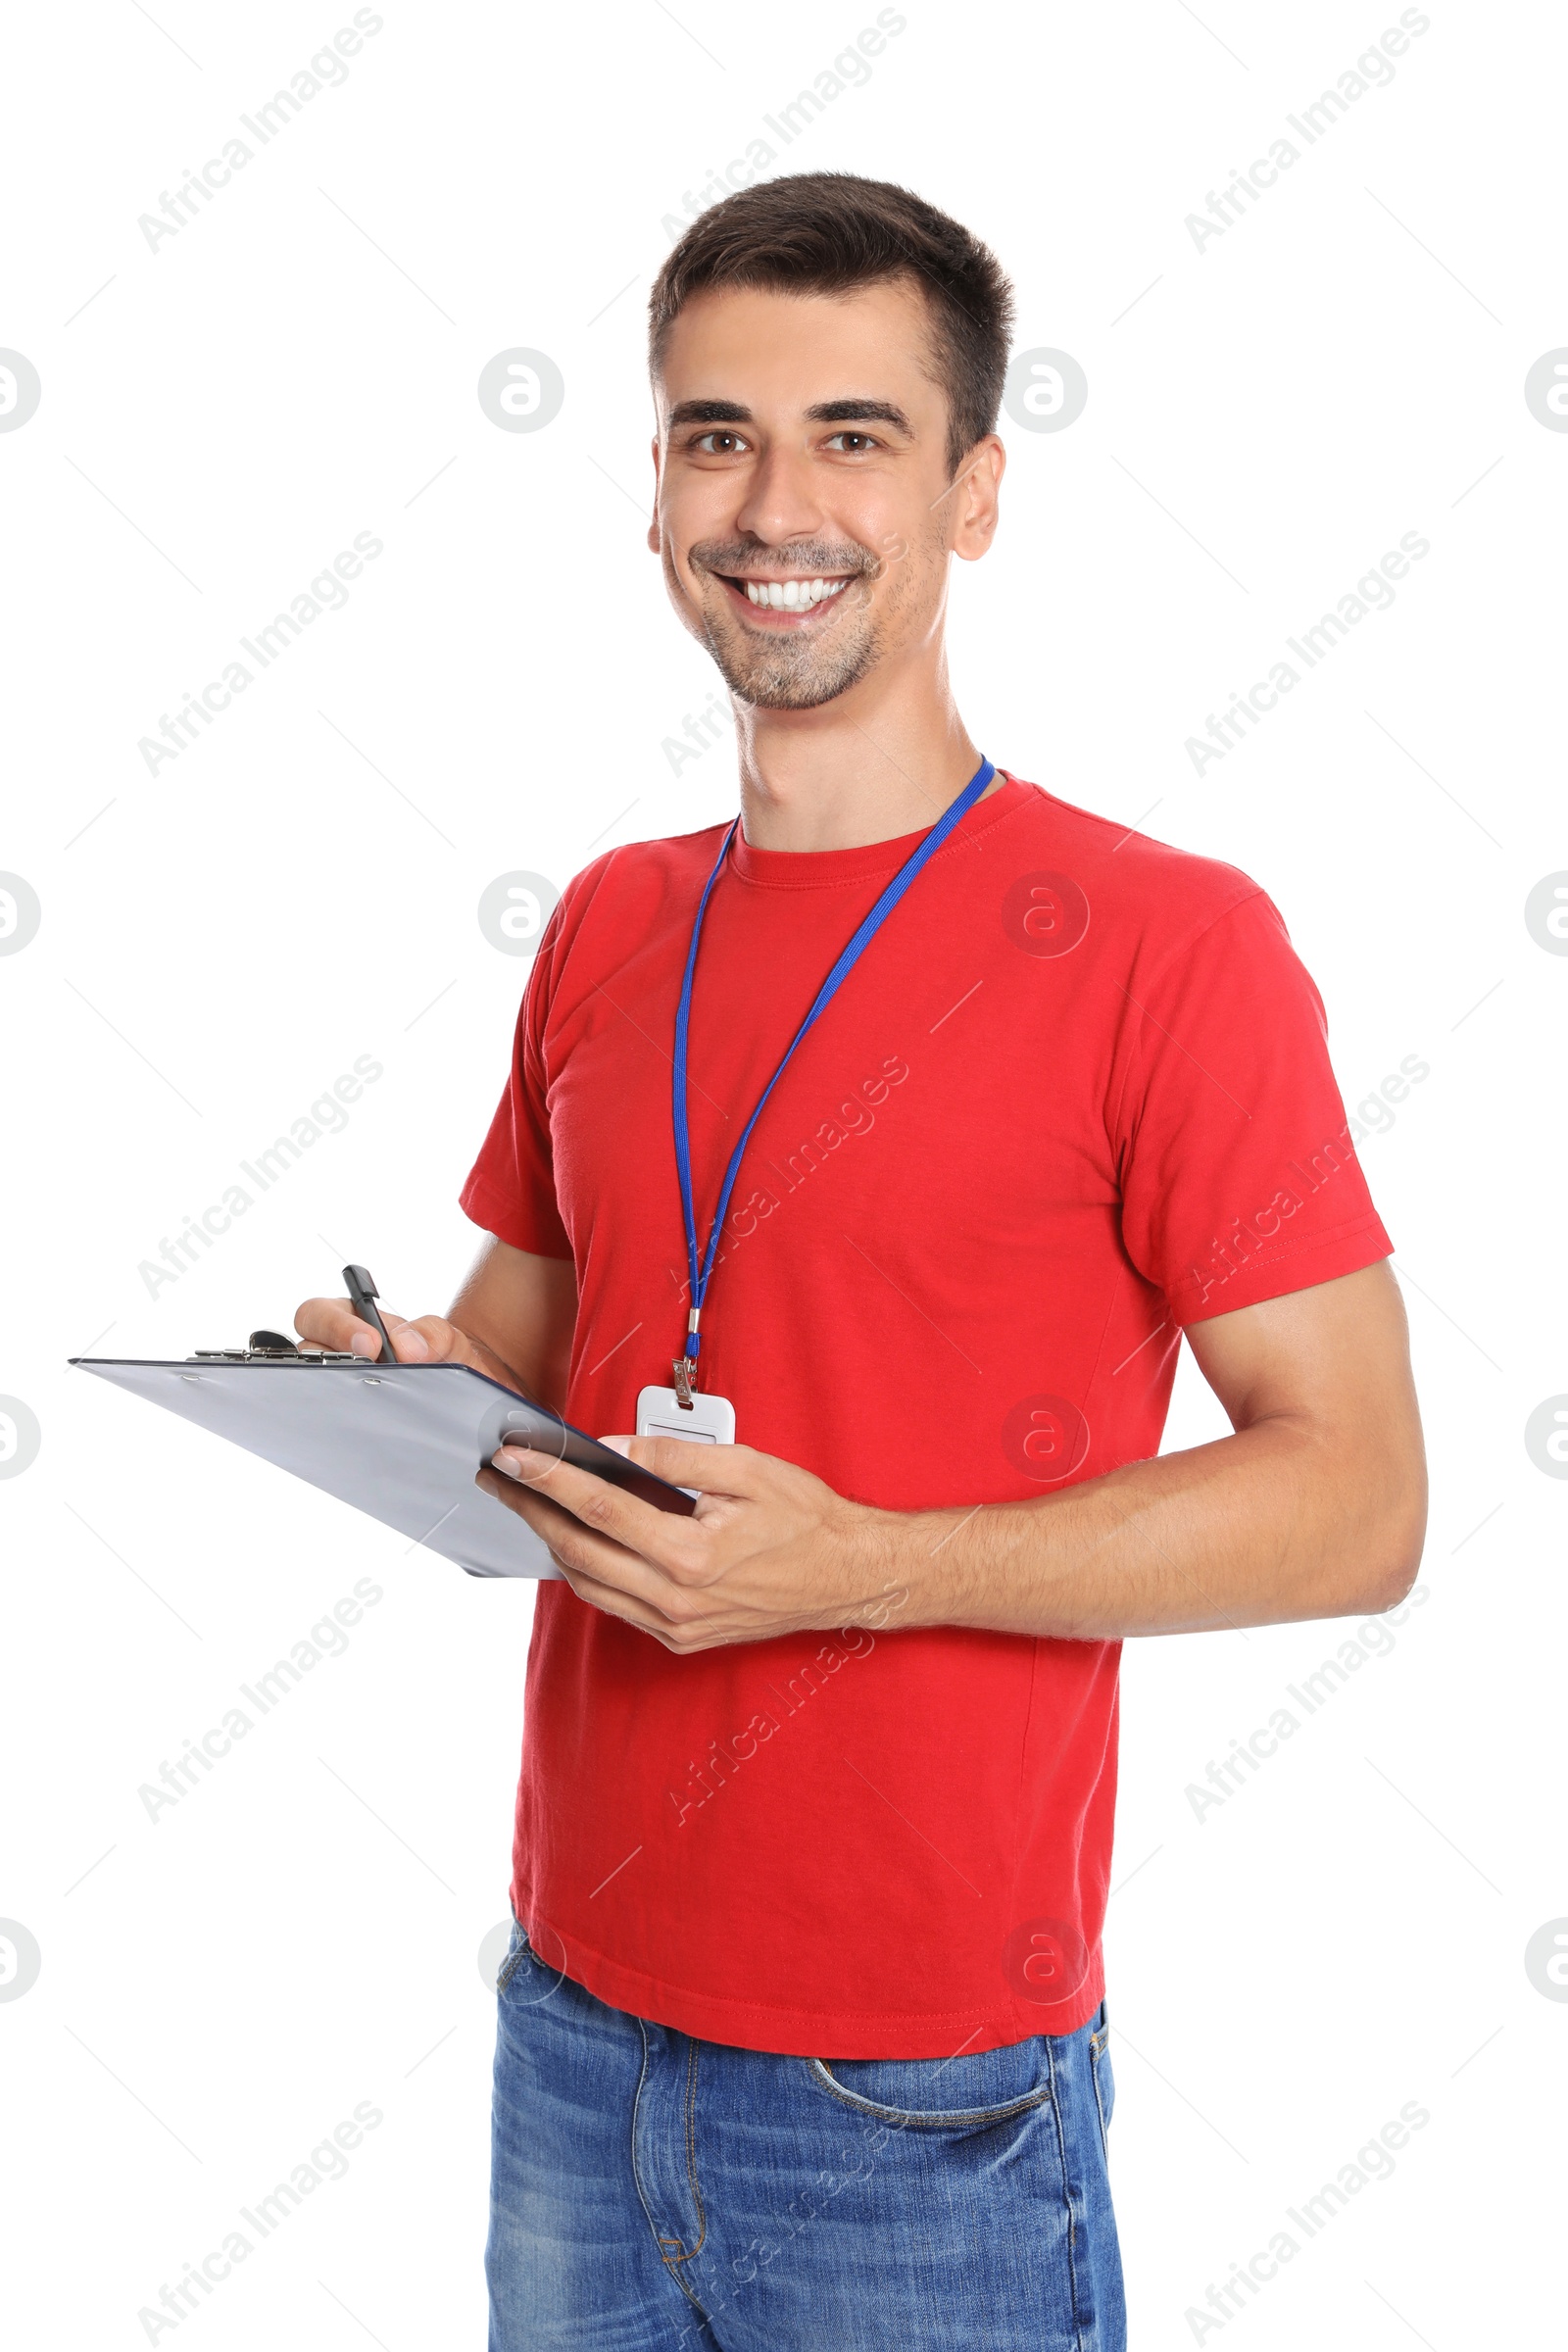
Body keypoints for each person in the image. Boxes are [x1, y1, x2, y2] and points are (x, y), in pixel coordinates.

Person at [298, 172, 1426, 2352]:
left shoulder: (1165, 947)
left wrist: (861, 1564)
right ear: (652, 495)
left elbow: (1358, 1497)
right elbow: (535, 1363)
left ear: (972, 493)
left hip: (912, 2093)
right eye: (716, 435)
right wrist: (393, 1377)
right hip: (571, 2026)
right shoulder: (611, 922)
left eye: (853, 434)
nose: (771, 500)